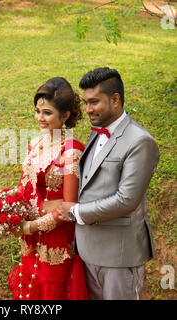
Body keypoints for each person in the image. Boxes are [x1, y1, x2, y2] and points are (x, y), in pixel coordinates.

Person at [56, 67, 159, 300]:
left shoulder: (140, 141)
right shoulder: (97, 132)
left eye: (94, 102)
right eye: (85, 102)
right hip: (88, 251)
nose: (88, 109)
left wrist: (75, 212)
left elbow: (127, 200)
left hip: (119, 256)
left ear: (115, 100)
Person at [8, 77, 88, 300]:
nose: (39, 118)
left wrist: (32, 226)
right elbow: (25, 185)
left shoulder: (71, 151)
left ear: (65, 116)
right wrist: (8, 213)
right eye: (37, 111)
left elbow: (69, 207)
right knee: (31, 287)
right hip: (30, 234)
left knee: (51, 290)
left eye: (47, 113)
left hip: (55, 237)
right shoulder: (36, 143)